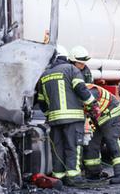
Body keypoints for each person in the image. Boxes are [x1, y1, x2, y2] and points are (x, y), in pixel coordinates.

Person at [36, 45, 100, 186]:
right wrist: (93, 104)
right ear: (67, 58)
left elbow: (41, 101)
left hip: (54, 120)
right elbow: (80, 88)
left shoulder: (44, 75)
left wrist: (49, 114)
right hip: (73, 118)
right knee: (73, 146)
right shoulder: (72, 70)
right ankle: (73, 177)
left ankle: (59, 177)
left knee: (57, 148)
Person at [83, 83, 120, 184]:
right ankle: (93, 173)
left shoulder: (90, 92)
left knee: (112, 140)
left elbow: (89, 106)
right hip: (94, 117)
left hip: (110, 113)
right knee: (91, 143)